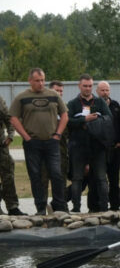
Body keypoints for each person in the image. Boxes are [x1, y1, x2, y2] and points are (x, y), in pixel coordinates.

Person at [9, 68, 68, 215]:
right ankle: (40, 208)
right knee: (35, 175)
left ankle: (59, 206)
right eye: (37, 80)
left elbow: (65, 115)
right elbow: (13, 118)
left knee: (56, 174)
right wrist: (25, 137)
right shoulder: (21, 97)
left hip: (52, 142)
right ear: (30, 81)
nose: (41, 83)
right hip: (32, 143)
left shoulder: (53, 95)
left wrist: (58, 134)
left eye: (42, 80)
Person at [67, 74, 112, 212]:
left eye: (90, 86)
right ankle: (76, 208)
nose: (87, 88)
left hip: (97, 147)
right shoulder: (73, 104)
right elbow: (68, 122)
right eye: (85, 86)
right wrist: (84, 120)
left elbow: (109, 118)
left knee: (101, 178)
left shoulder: (99, 102)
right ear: (79, 86)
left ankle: (104, 208)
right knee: (77, 179)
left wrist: (96, 121)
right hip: (78, 147)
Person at [96, 81, 120, 211]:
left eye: (107, 90)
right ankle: (99, 205)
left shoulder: (115, 105)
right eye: (102, 90)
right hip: (100, 149)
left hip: (115, 148)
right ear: (97, 91)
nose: (105, 93)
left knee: (114, 180)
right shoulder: (94, 105)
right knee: (99, 179)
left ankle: (115, 205)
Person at [0, 94, 25, 215]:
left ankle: (12, 207)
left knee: (8, 175)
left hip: (1, 146)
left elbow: (8, 118)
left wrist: (10, 135)